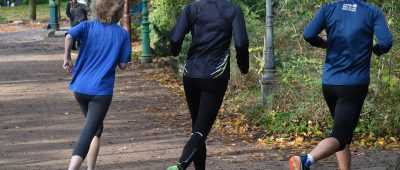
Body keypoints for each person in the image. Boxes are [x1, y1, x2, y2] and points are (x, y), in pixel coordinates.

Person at [289, 0, 393, 170]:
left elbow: (308, 34)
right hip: (353, 85)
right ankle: (306, 160)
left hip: (329, 83)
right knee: (339, 135)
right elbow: (386, 42)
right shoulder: (372, 12)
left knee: (343, 134)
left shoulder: (329, 8)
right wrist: (377, 50)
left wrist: (322, 43)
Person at [167, 0, 249, 169]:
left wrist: (174, 51)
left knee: (197, 129)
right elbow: (241, 43)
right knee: (200, 131)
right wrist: (243, 66)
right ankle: (180, 165)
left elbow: (175, 38)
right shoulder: (233, 10)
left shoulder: (192, 9)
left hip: (191, 74)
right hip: (215, 76)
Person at [63, 0, 131, 169]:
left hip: (80, 88)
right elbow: (123, 66)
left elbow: (69, 35)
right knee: (89, 131)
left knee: (96, 128)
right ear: (116, 12)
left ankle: (91, 168)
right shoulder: (122, 34)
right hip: (101, 92)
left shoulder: (87, 26)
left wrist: (67, 58)